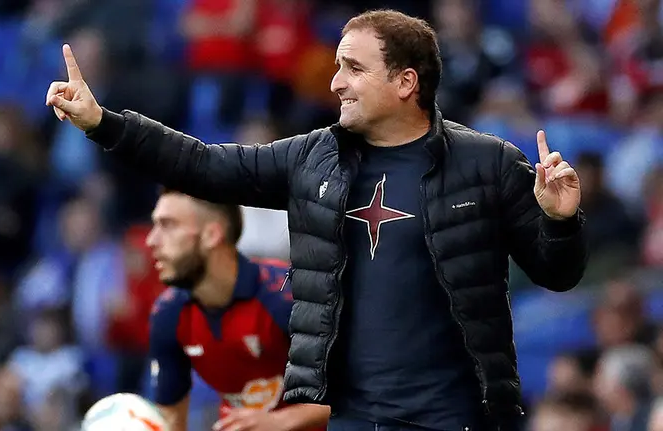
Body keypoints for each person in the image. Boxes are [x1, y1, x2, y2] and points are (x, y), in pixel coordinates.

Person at [45, 9, 588, 431]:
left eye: (353, 68)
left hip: (457, 417)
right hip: (347, 418)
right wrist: (102, 123)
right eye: (336, 67)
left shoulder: (488, 163)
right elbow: (202, 165)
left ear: (405, 83)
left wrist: (560, 221)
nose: (334, 83)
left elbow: (558, 274)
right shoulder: (310, 158)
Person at [144, 189, 329, 431]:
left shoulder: (287, 296)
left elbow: (366, 392)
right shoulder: (168, 314)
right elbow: (170, 422)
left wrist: (278, 422)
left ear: (212, 234)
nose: (151, 240)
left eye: (168, 225)